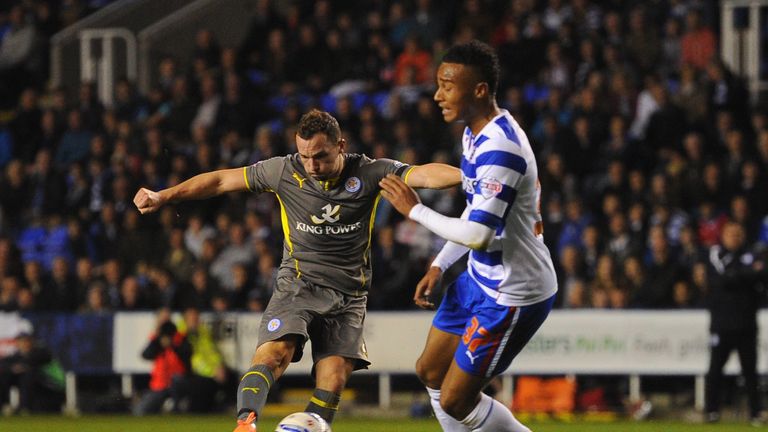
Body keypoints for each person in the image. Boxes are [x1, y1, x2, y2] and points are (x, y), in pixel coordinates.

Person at [133, 109, 460, 431]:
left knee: (333, 378)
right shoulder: (283, 171)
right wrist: (165, 195)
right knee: (275, 354)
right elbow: (221, 180)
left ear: (341, 145)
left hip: (349, 294)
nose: (312, 165)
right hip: (299, 283)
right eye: (304, 156)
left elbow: (425, 175)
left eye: (320, 156)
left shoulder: (371, 172)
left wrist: (472, 176)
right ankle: (245, 425)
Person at [379, 40, 557, 431]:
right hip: (480, 277)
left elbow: (477, 233)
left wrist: (415, 210)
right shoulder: (474, 134)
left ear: (479, 90)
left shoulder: (502, 149)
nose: (438, 94)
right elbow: (476, 212)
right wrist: (441, 263)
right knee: (429, 371)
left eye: (447, 85)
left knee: (458, 399)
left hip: (513, 292)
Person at [704, 221, 768, 425]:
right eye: (731, 234)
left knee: (750, 372)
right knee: (715, 370)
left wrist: (738, 276)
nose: (735, 237)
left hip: (746, 324)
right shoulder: (717, 255)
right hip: (722, 325)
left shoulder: (752, 254)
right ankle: (711, 411)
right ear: (723, 236)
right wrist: (747, 275)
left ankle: (756, 413)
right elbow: (721, 280)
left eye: (738, 234)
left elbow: (762, 275)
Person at [133, 316, 192, 416]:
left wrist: (173, 346)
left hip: (178, 385)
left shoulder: (181, 342)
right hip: (159, 386)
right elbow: (145, 355)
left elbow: (187, 355)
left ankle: (176, 409)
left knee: (176, 381)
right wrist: (156, 343)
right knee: (140, 411)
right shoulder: (157, 343)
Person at [0, 328, 64, 414]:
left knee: (28, 375)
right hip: (33, 386)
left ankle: (24, 408)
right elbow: (5, 364)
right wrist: (14, 368)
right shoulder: (16, 356)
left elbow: (36, 360)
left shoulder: (41, 351)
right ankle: (5, 405)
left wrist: (21, 366)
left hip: (52, 385)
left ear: (31, 342)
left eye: (26, 341)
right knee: (5, 375)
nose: (24, 344)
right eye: (21, 341)